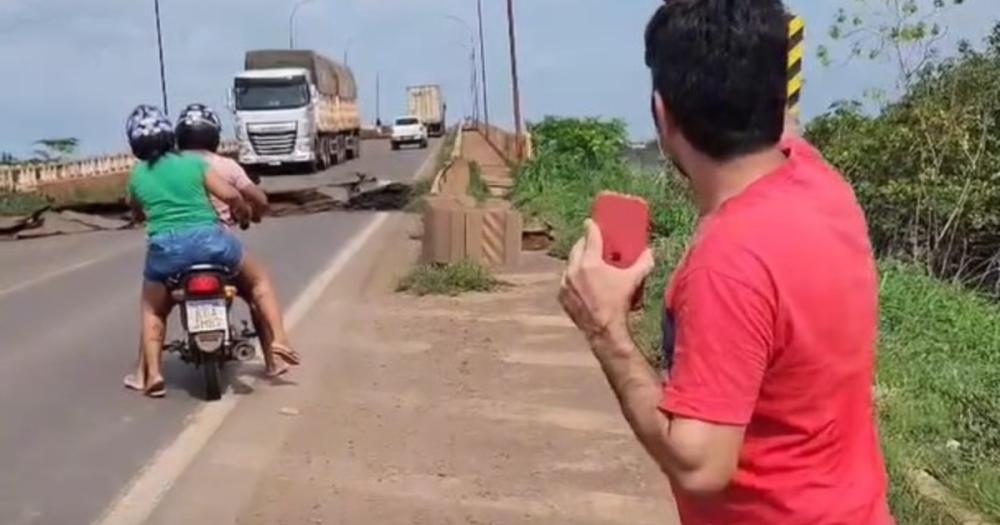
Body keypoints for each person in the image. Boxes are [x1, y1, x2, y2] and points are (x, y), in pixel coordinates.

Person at [557, 1, 894, 524]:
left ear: (661, 115)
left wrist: (606, 330)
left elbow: (699, 466)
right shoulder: (820, 184)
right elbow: (786, 128)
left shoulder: (727, 265)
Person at [122, 105, 249, 397]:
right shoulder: (193, 165)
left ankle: (151, 375)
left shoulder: (138, 176)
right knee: (254, 278)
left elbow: (136, 213)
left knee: (152, 307)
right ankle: (270, 344)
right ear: (170, 136)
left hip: (167, 252)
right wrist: (241, 214)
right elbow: (231, 195)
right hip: (212, 243)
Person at [174, 103, 300, 377]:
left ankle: (147, 368)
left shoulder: (171, 168)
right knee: (257, 287)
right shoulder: (226, 166)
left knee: (154, 306)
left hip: (179, 251)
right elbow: (258, 199)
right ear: (213, 135)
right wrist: (257, 214)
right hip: (220, 248)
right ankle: (274, 357)